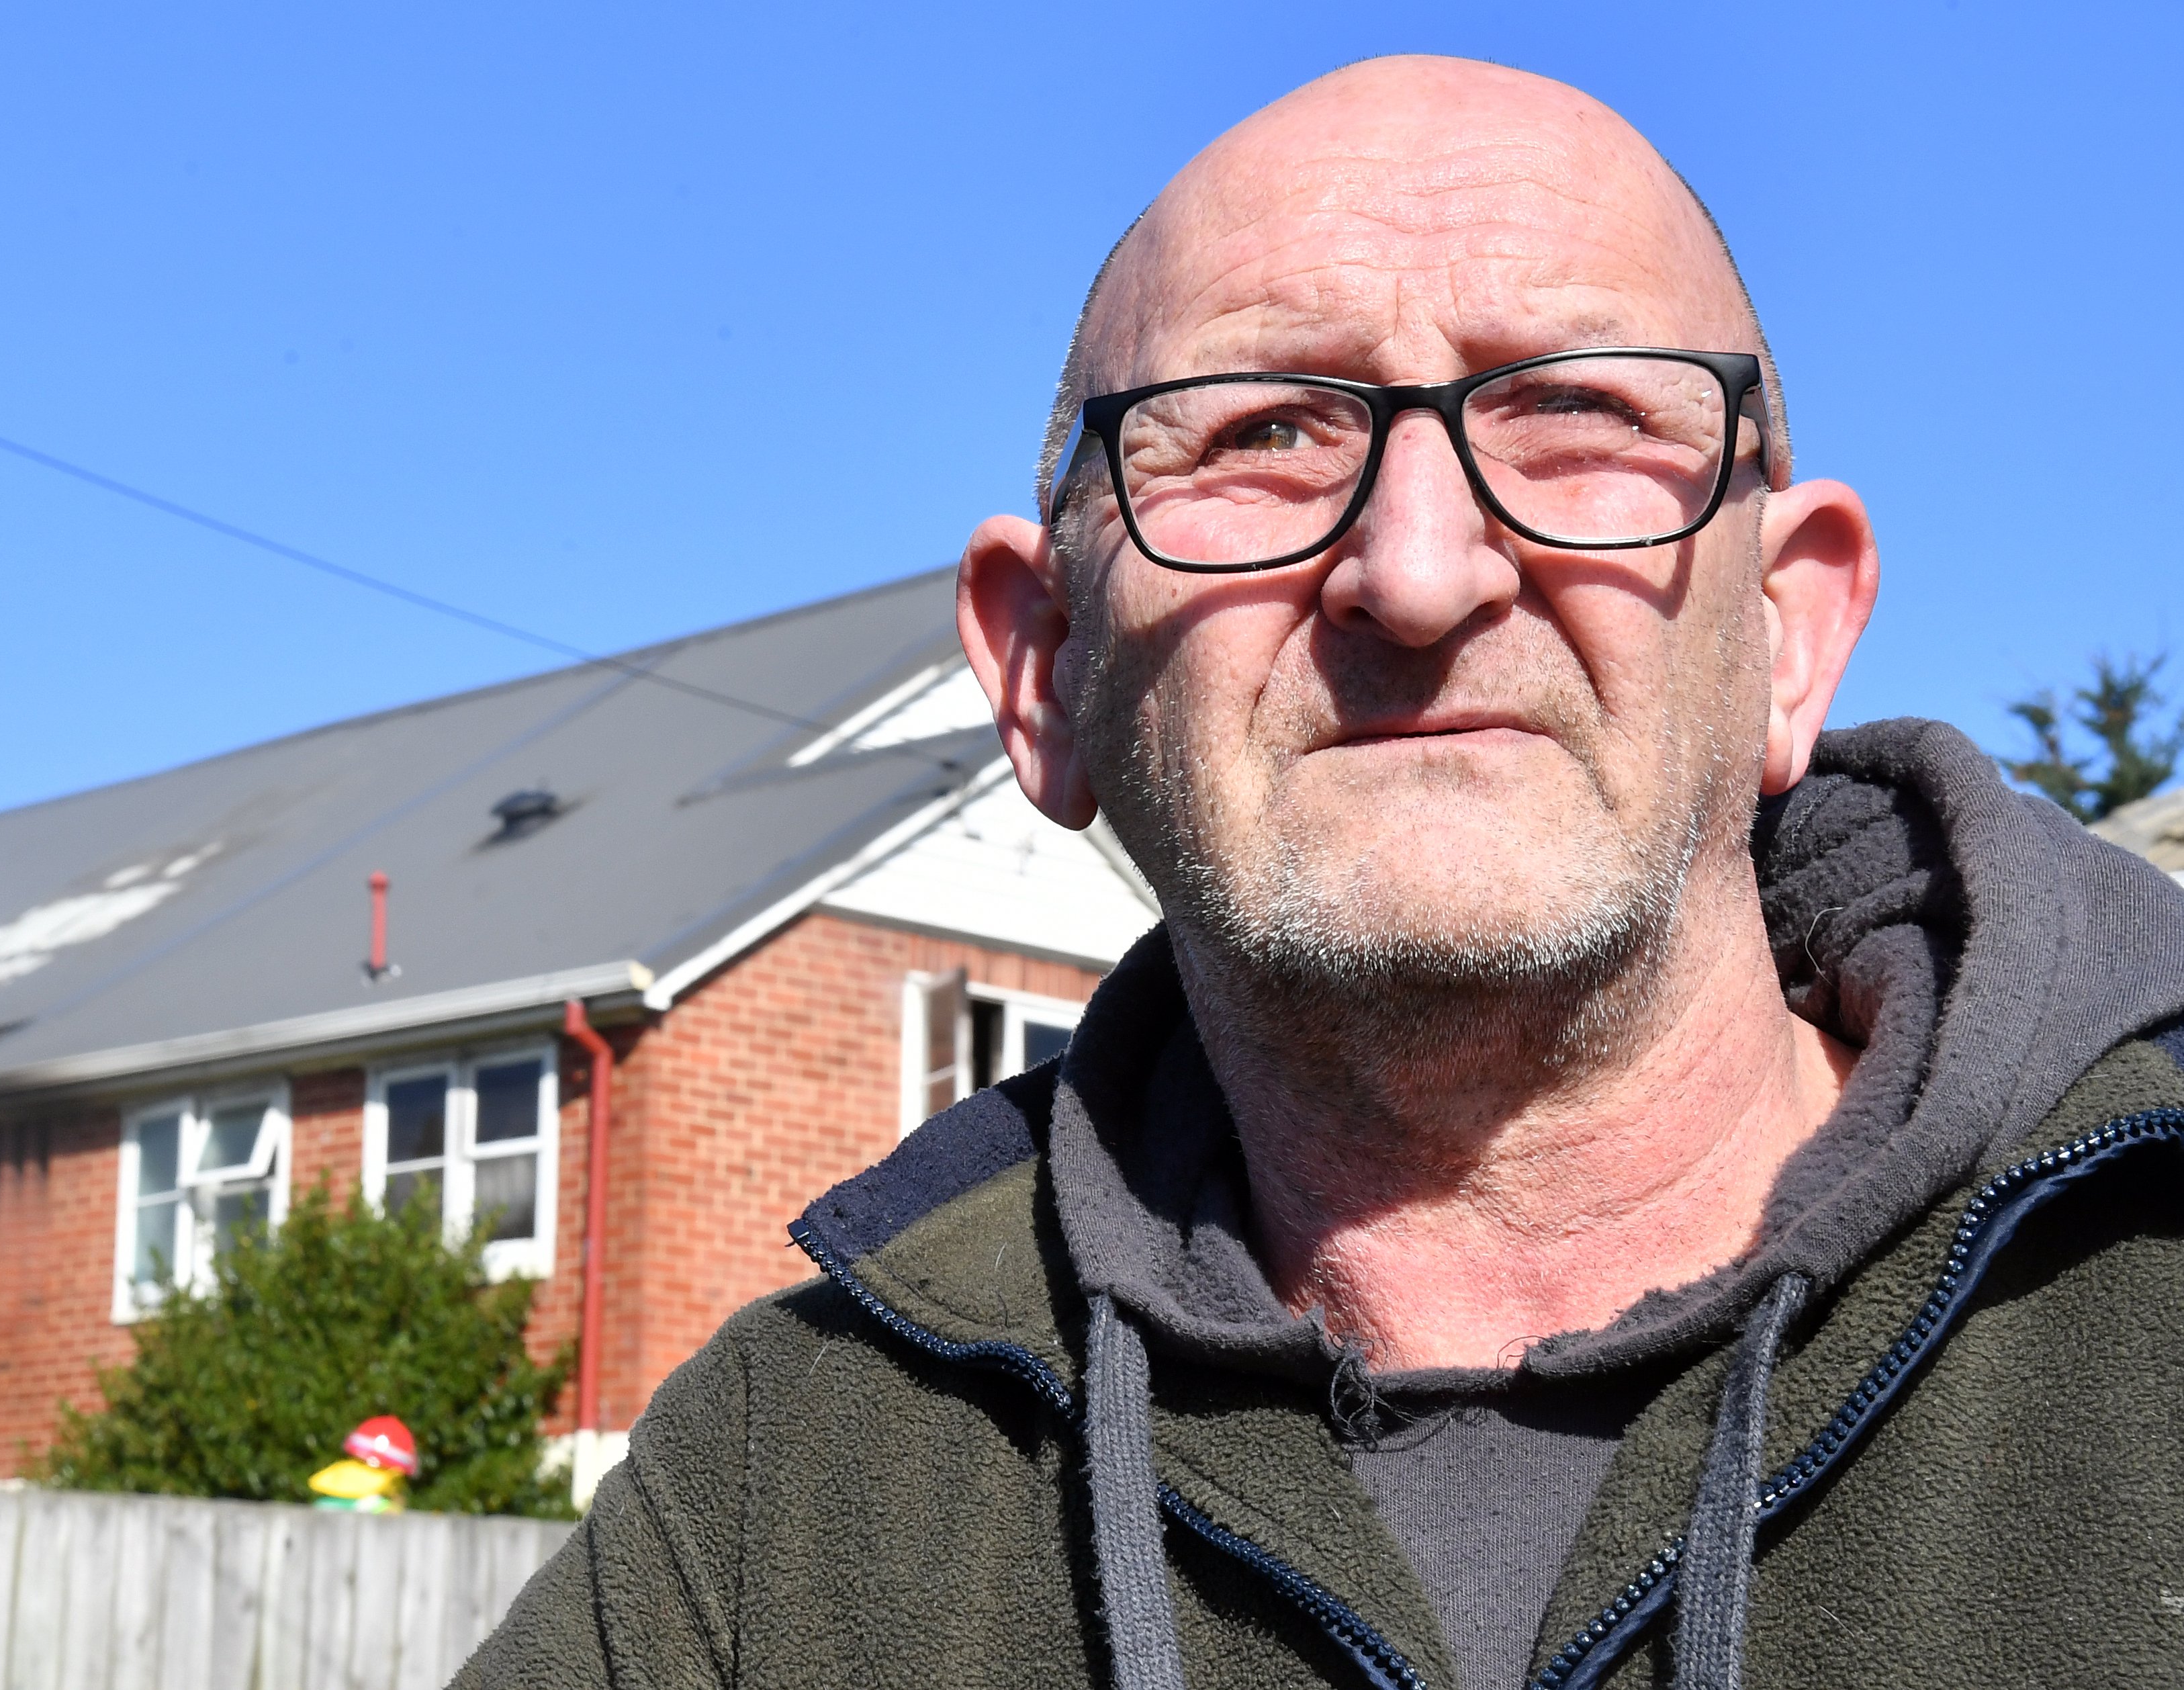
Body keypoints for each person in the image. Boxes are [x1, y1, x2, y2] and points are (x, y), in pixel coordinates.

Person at [459, 56, 2184, 1689]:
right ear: (1043, 670)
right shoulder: (789, 1488)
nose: (1419, 572)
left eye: (1574, 413)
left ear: (1786, 633)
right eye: (1258, 430)